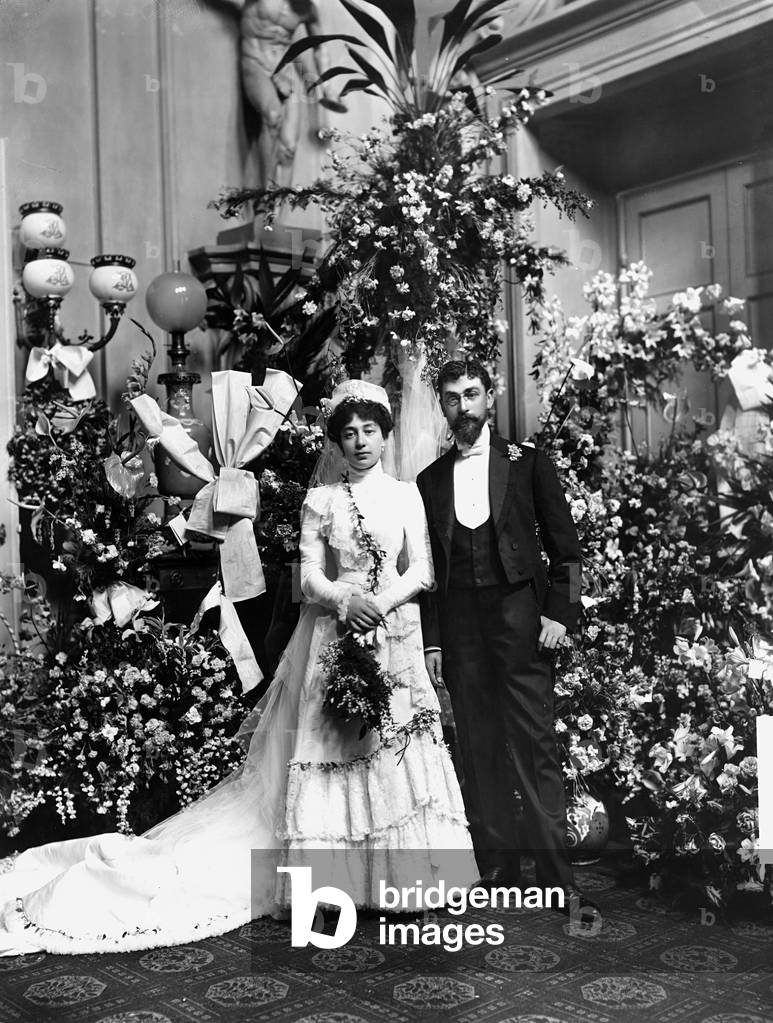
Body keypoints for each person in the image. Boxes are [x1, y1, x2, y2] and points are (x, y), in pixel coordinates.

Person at [0, 380, 475, 955]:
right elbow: (305, 577)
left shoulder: (405, 494)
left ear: (385, 434)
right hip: (335, 628)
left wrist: (383, 603)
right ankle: (333, 883)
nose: (360, 443)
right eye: (348, 433)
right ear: (336, 440)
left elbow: (421, 568)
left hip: (395, 632)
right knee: (333, 748)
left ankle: (404, 878)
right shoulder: (321, 500)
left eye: (369, 431)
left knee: (392, 744)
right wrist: (347, 601)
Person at [416, 358, 596, 918]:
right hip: (461, 625)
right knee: (477, 741)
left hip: (522, 620)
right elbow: (427, 571)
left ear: (490, 398)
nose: (463, 406)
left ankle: (553, 873)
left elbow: (567, 550)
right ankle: (496, 862)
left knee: (535, 742)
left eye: (472, 394)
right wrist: (434, 641)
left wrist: (559, 616)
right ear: (442, 408)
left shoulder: (528, 465)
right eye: (451, 398)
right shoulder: (429, 480)